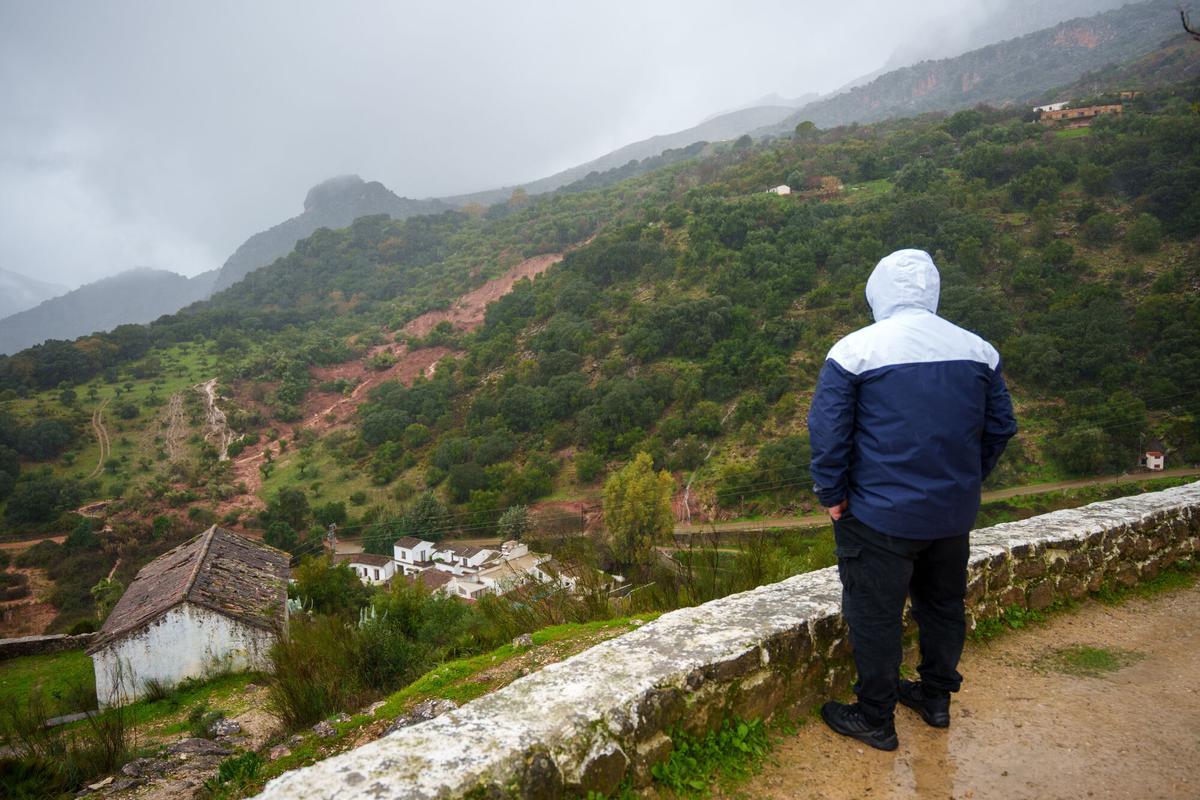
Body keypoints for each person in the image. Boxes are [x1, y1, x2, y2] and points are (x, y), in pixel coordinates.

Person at [807, 248, 1017, 751]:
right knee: (943, 605)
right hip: (951, 514)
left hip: (877, 517)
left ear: (876, 291)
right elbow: (1001, 426)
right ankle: (936, 699)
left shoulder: (855, 351)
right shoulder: (978, 350)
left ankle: (875, 717)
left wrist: (833, 494)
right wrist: (967, 479)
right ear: (932, 290)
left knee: (874, 613)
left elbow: (828, 432)